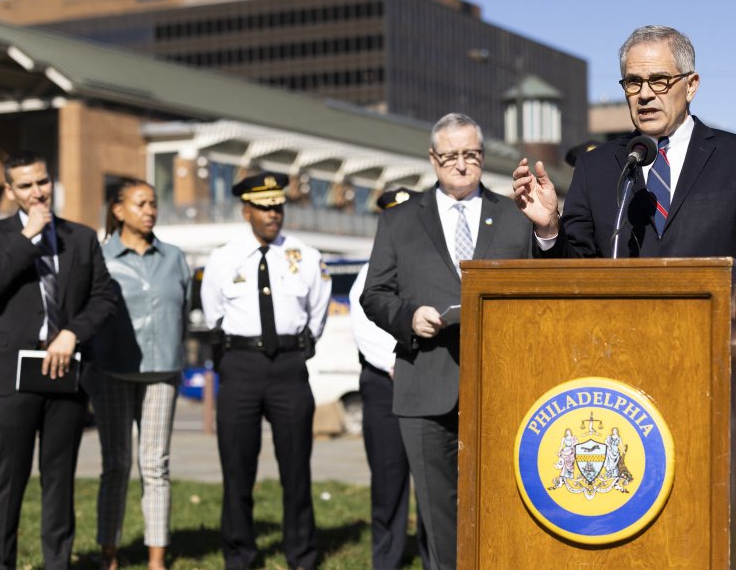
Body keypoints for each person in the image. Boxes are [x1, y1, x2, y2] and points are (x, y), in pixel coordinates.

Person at [512, 25, 736, 318]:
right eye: (633, 82)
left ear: (691, 85)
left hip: (710, 333)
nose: (644, 94)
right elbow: (576, 268)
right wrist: (550, 229)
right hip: (615, 340)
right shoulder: (595, 167)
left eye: (659, 81)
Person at [361, 113, 533, 570]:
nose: (462, 165)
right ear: (433, 160)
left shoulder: (516, 219)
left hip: (502, 387)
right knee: (438, 514)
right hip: (425, 383)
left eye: (471, 154)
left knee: (502, 504)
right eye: (452, 156)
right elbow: (374, 294)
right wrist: (407, 317)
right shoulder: (398, 221)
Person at [0, 150, 117, 570]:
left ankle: (57, 563)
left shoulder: (81, 237)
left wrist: (72, 333)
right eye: (27, 185)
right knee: (7, 483)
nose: (38, 192)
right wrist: (28, 236)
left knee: (59, 481)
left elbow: (104, 297)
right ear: (11, 191)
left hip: (64, 372)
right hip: (9, 376)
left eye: (43, 182)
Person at [200, 172, 332, 570]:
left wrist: (297, 349)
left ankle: (302, 555)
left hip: (289, 368)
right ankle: (240, 555)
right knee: (237, 469)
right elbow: (213, 315)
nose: (273, 213)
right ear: (246, 211)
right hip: (240, 366)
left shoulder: (306, 256)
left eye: (278, 206)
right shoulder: (223, 258)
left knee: (296, 468)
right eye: (264, 206)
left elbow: (318, 313)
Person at [87, 179, 190, 570]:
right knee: (115, 464)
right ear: (118, 210)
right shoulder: (100, 258)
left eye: (153, 204)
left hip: (162, 372)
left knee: (156, 464)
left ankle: (156, 558)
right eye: (140, 203)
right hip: (111, 371)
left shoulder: (175, 257)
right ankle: (108, 554)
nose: (150, 210)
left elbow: (183, 312)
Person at [349, 187, 429, 570]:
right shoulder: (370, 270)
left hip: (429, 379)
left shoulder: (431, 263)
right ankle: (388, 559)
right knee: (388, 478)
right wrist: (395, 365)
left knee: (433, 481)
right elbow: (365, 327)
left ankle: (437, 556)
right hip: (386, 380)